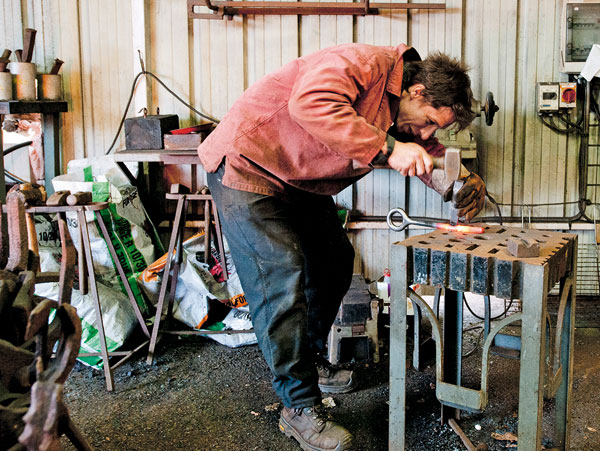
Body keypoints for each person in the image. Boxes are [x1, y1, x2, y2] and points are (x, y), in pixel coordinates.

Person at [197, 43, 486, 451]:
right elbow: (310, 105)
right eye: (427, 124)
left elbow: (416, 148)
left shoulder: (403, 107)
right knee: (280, 277)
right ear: (416, 92)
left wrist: (456, 179)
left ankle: (309, 362)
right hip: (249, 166)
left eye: (433, 131)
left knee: (334, 261)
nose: (425, 135)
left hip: (295, 180)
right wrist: (390, 150)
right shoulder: (362, 66)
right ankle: (298, 407)